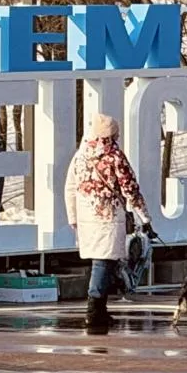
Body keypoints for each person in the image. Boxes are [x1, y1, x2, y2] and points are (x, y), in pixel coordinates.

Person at [64, 113, 153, 332]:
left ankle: (100, 308)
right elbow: (130, 188)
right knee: (103, 262)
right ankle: (94, 310)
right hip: (108, 217)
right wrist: (145, 218)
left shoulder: (81, 156)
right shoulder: (114, 156)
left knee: (102, 261)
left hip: (86, 217)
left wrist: (73, 217)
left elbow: (70, 187)